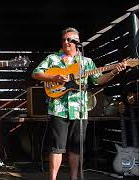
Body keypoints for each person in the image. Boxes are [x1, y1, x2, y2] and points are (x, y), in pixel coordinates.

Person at [31, 27, 126, 180]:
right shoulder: (53, 58)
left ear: (77, 42)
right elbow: (35, 73)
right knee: (57, 148)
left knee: (76, 147)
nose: (66, 42)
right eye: (63, 39)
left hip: (80, 110)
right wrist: (53, 78)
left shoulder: (86, 62)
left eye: (69, 39)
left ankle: (74, 178)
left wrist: (114, 71)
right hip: (58, 108)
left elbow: (97, 80)